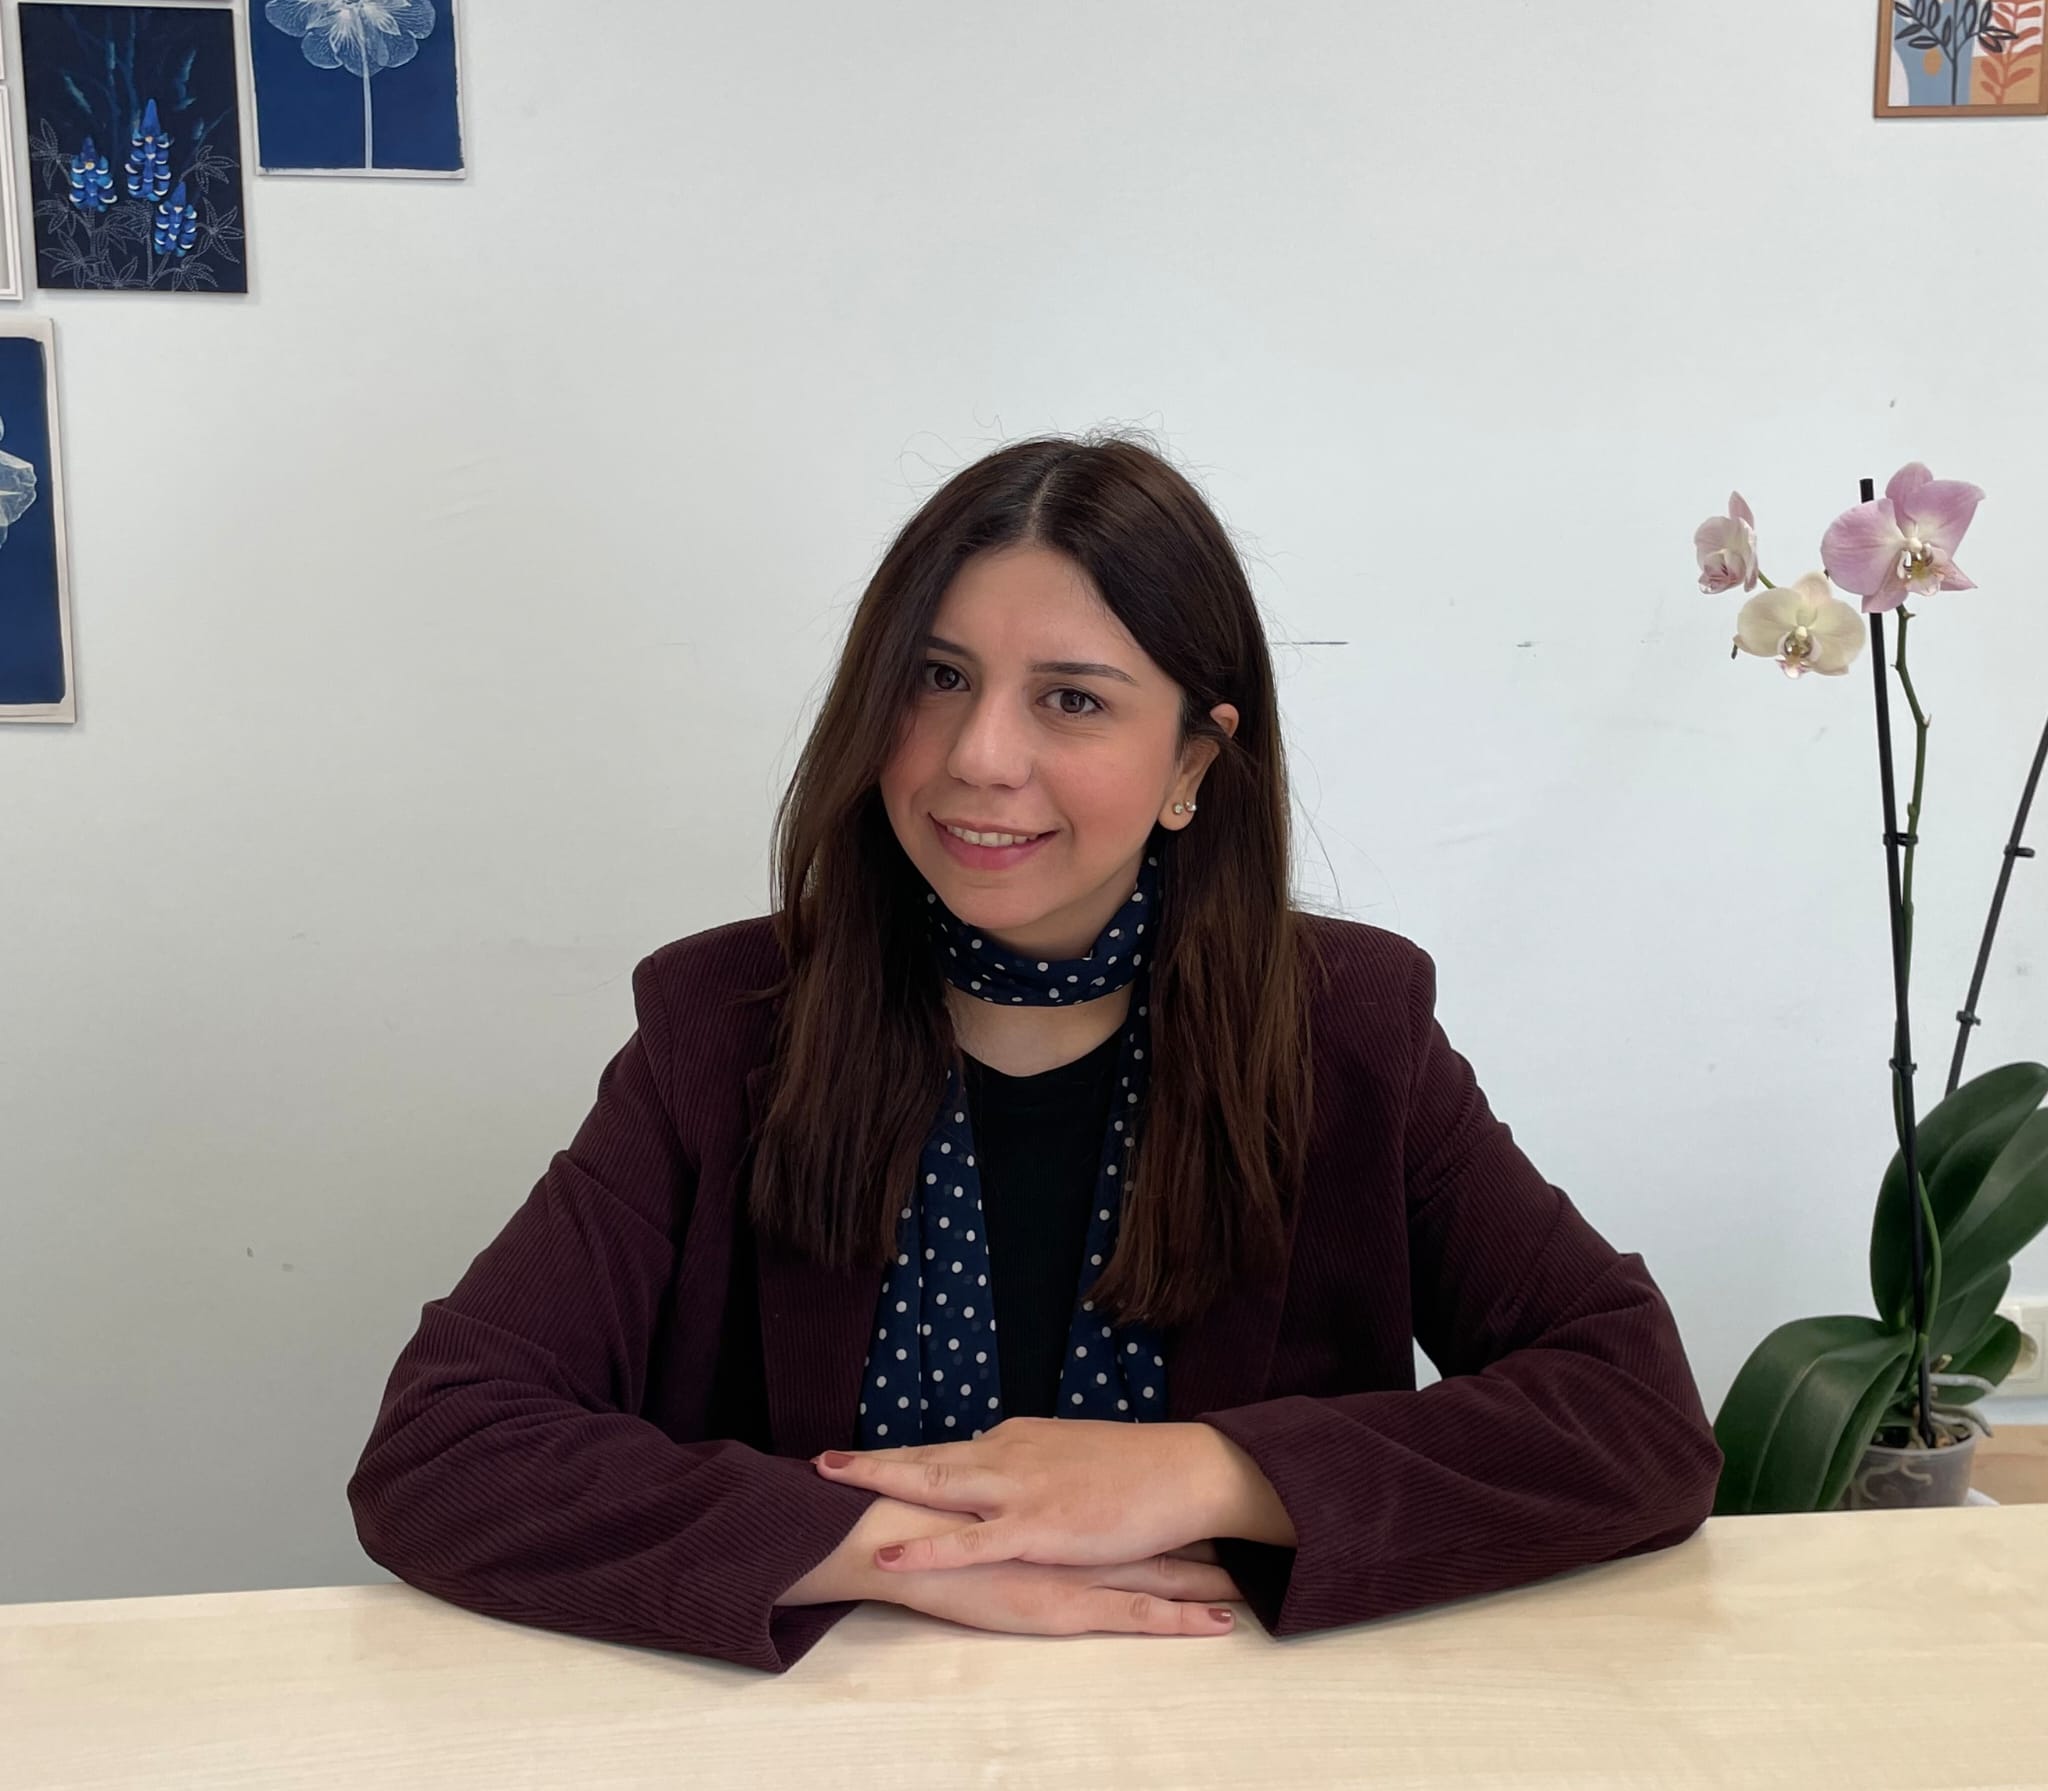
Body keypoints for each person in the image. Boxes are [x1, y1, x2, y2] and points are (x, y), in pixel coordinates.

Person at [347, 434, 1723, 1675]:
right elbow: (445, 1447)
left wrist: (1208, 1475)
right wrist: (899, 1551)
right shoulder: (724, 1027)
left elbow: (1636, 1414)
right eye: (938, 679)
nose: (979, 756)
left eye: (1072, 700)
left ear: (1193, 764)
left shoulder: (1348, 1029)